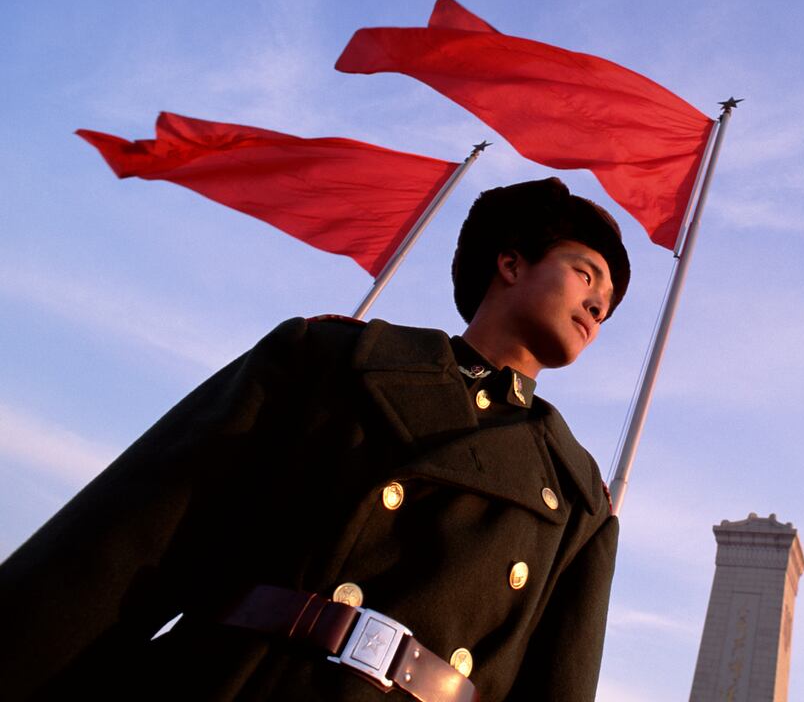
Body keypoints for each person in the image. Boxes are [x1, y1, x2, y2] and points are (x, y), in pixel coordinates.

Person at [0, 177, 630, 702]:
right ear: (512, 263)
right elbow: (131, 539)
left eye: (607, 304)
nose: (598, 307)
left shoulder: (581, 500)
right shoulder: (330, 358)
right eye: (586, 275)